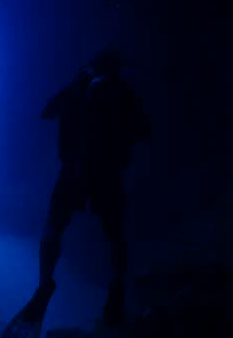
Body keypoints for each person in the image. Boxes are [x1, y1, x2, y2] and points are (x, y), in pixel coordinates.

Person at [18, 49, 151, 332]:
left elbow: (46, 113)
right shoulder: (121, 92)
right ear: (116, 69)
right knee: (115, 234)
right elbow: (143, 131)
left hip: (73, 173)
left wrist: (75, 87)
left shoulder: (78, 91)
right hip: (107, 174)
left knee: (54, 227)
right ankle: (116, 289)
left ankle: (45, 283)